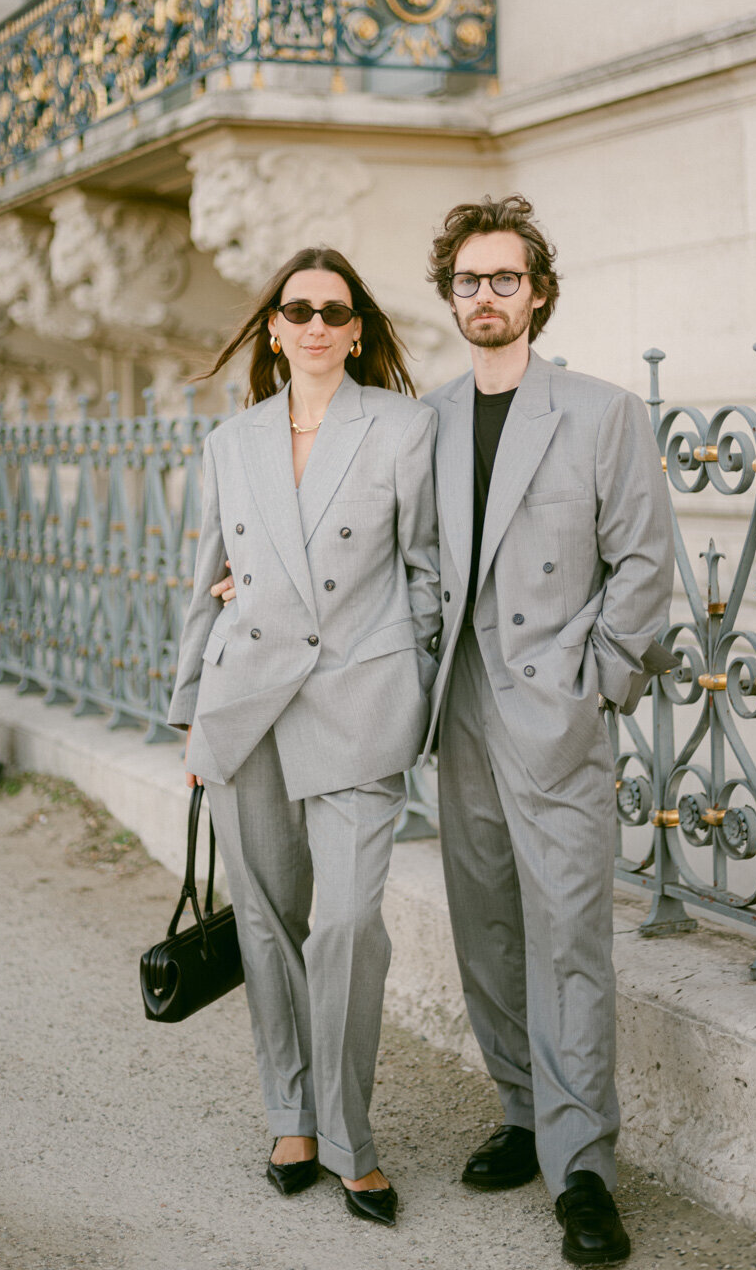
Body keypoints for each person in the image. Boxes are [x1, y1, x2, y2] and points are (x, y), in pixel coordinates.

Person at [422, 195, 675, 1266]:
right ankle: (524, 1117)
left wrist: (598, 683)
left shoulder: (601, 412)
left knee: (567, 933)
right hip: (460, 703)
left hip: (555, 708)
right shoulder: (421, 419)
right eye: (470, 281)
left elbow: (648, 563)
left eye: (506, 279)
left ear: (538, 293)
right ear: (450, 296)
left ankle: (583, 1169)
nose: (488, 296)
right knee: (484, 922)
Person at [168, 246, 440, 1228]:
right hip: (248, 709)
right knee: (269, 922)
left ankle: (349, 1136)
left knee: (346, 925)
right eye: (299, 308)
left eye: (335, 309)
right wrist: (192, 712)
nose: (317, 323)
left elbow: (428, 571)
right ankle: (291, 1114)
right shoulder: (230, 442)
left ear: (357, 327)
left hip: (359, 702)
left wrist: (415, 679)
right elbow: (206, 580)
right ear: (275, 327)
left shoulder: (406, 428)